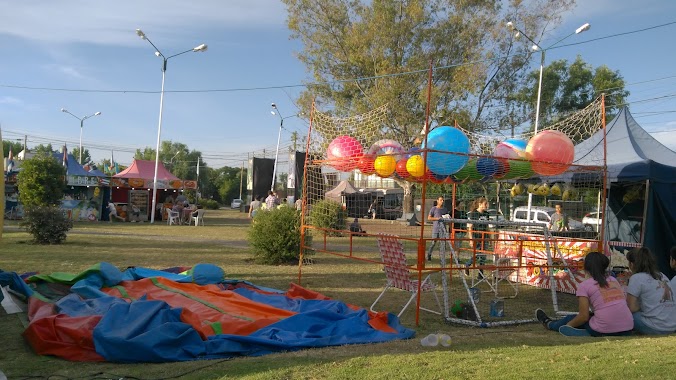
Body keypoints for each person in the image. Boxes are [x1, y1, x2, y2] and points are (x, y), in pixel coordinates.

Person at [536, 252, 633, 336]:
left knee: (572, 318)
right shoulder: (613, 280)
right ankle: (585, 331)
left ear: (586, 267)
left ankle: (550, 324)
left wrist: (568, 325)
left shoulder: (585, 286)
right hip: (627, 327)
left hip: (604, 329)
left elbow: (583, 316)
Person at [625, 247, 676, 334]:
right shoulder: (662, 275)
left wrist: (643, 305)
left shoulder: (636, 278)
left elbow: (631, 308)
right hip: (672, 326)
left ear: (632, 264)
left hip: (656, 328)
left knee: (629, 315)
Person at [467, 197, 490, 276]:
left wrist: (489, 237)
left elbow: (487, 226)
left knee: (483, 256)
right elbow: (470, 227)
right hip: (476, 237)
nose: (486, 205)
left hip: (485, 237)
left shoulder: (487, 214)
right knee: (477, 254)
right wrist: (471, 239)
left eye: (487, 204)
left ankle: (481, 274)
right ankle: (467, 265)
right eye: (485, 204)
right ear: (480, 204)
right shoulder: (473, 213)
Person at [426, 196, 449, 261]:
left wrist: (447, 218)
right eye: (441, 200)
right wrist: (437, 219)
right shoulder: (434, 209)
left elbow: (447, 217)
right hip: (436, 229)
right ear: (437, 201)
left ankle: (442, 257)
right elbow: (429, 218)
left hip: (443, 229)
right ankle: (429, 254)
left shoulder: (445, 209)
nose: (442, 201)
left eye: (443, 200)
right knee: (433, 242)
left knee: (443, 244)